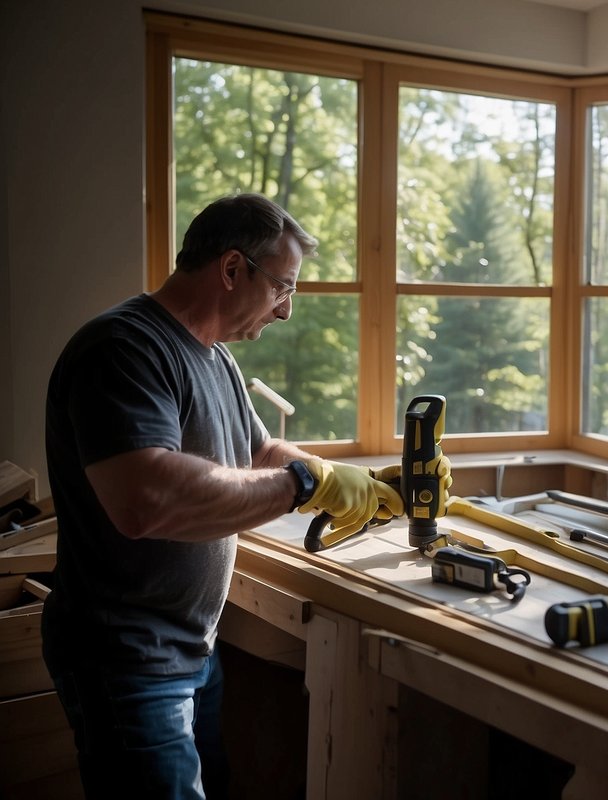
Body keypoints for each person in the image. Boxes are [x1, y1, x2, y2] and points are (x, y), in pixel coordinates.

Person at [42, 193, 432, 799]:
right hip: (126, 661)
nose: (287, 311)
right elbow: (147, 499)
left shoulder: (214, 359)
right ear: (231, 269)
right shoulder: (122, 349)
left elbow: (259, 455)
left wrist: (362, 484)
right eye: (283, 287)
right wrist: (306, 485)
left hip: (191, 651)